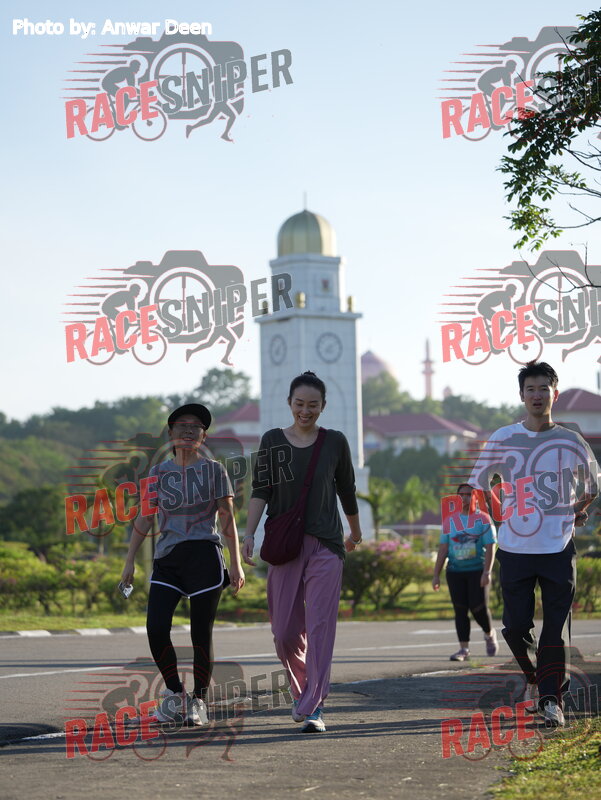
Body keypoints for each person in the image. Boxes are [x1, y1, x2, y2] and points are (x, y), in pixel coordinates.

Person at [469, 361, 599, 726]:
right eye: (531, 389)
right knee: (514, 627)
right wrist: (499, 514)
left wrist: (576, 510)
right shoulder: (503, 437)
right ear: (521, 395)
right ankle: (536, 678)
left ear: (555, 394)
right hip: (515, 548)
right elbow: (479, 482)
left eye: (544, 389)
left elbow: (593, 485)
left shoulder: (570, 440)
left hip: (558, 548)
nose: (537, 395)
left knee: (555, 630)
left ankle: (551, 700)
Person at [242, 371, 363, 733]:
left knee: (321, 626)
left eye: (313, 405)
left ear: (323, 406)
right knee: (284, 633)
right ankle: (303, 690)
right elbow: (261, 490)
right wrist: (248, 534)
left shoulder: (335, 442)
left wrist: (355, 532)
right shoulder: (272, 440)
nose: (305, 411)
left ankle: (314, 706)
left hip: (326, 544)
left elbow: (347, 490)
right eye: (299, 404)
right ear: (290, 403)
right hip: (285, 545)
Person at [121, 402, 245, 726]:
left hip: (205, 556)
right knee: (156, 627)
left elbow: (227, 518)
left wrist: (236, 564)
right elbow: (145, 517)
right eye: (182, 426)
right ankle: (175, 694)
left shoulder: (215, 471)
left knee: (201, 634)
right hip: (168, 559)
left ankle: (198, 701)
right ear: (171, 433)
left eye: (196, 427)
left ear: (203, 436)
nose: (189, 431)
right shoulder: (158, 473)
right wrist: (129, 560)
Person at [433, 483, 498, 661]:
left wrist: (487, 572)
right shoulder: (449, 521)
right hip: (455, 572)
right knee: (460, 610)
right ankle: (464, 649)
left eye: (469, 494)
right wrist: (436, 575)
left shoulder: (483, 519)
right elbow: (443, 549)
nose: (465, 498)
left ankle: (489, 634)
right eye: (461, 495)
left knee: (478, 608)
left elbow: (490, 546)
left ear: (476, 497)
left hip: (477, 571)